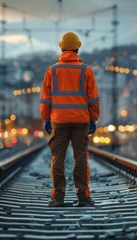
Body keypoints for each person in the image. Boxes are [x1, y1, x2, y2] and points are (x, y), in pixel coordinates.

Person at [40, 32, 100, 207]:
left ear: (61, 48)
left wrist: (46, 118)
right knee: (80, 158)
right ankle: (83, 196)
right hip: (81, 120)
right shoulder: (86, 70)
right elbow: (93, 99)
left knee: (57, 158)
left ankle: (58, 196)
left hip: (59, 120)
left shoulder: (52, 70)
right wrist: (93, 118)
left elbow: (45, 99)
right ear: (77, 48)